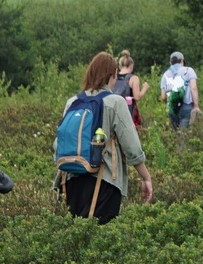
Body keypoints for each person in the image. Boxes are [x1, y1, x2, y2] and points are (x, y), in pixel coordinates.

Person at [60, 52, 153, 221]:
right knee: (101, 237)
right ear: (113, 75)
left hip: (70, 179)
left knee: (75, 236)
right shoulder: (115, 102)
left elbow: (58, 143)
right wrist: (146, 177)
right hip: (104, 180)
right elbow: (131, 146)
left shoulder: (72, 102)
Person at [161, 52, 199, 129]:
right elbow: (194, 88)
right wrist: (196, 106)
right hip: (186, 106)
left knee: (174, 133)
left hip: (172, 107)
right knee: (183, 134)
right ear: (182, 60)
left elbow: (163, 97)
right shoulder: (189, 71)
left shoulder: (165, 75)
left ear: (170, 62)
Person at [113, 50, 146, 128]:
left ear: (120, 66)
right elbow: (137, 97)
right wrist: (144, 88)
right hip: (129, 111)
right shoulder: (133, 78)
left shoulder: (113, 77)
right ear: (131, 65)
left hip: (114, 109)